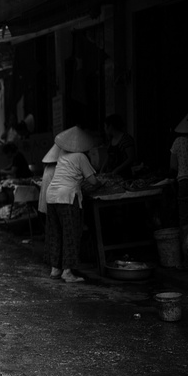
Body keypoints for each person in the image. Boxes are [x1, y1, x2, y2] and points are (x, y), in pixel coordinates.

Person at [46, 127, 100, 283]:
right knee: (71, 233)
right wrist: (99, 184)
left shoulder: (62, 154)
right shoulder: (81, 156)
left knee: (55, 233)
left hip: (52, 196)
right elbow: (93, 181)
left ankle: (55, 269)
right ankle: (67, 272)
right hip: (67, 197)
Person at [170, 109, 188, 270]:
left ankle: (187, 260)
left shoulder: (178, 142)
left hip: (184, 182)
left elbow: (173, 166)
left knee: (185, 219)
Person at [100, 114, 135, 179]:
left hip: (123, 176)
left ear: (110, 126)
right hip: (111, 175)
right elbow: (109, 156)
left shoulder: (126, 139)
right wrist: (102, 170)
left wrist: (116, 171)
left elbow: (131, 158)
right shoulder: (111, 139)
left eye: (105, 126)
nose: (104, 129)